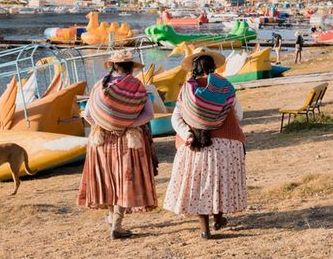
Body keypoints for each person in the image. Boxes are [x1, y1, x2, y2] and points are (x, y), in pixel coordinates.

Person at [164, 48, 246, 239]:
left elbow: (176, 118)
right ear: (213, 66)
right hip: (226, 145)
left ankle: (205, 230)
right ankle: (218, 219)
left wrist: (188, 134)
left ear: (194, 68)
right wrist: (219, 119)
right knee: (220, 183)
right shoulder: (225, 86)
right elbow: (239, 114)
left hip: (196, 144)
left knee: (200, 186)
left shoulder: (187, 89)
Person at [77, 49, 157, 239]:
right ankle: (117, 225)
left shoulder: (100, 85)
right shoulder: (137, 86)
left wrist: (105, 125)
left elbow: (87, 114)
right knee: (123, 180)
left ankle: (112, 219)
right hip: (127, 140)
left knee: (108, 179)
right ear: (131, 67)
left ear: (112, 65)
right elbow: (149, 114)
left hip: (101, 141)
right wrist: (126, 124)